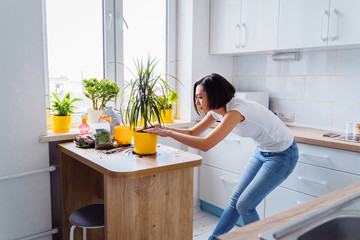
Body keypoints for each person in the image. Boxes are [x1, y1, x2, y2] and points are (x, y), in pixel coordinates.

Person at [144, 73, 299, 239]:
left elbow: (206, 144)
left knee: (245, 206)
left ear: (214, 95)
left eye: (200, 97)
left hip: (283, 154)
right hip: (262, 151)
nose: (196, 103)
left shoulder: (236, 111)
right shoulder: (216, 111)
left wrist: (167, 133)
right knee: (235, 202)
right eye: (196, 97)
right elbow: (193, 131)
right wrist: (164, 129)